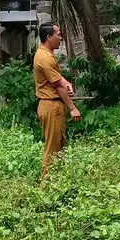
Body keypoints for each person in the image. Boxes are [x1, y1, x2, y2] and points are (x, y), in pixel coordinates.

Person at [34, 22, 81, 181]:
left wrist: (66, 82)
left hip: (52, 105)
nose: (61, 38)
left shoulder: (45, 53)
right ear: (49, 37)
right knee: (53, 148)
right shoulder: (46, 58)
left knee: (59, 144)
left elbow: (57, 78)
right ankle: (46, 186)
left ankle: (57, 181)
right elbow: (57, 86)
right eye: (58, 34)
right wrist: (73, 108)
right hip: (51, 105)